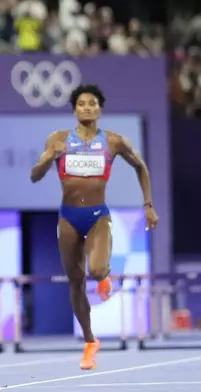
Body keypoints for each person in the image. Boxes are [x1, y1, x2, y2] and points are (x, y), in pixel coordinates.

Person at [30, 84, 158, 369]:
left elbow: (141, 167)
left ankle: (104, 276)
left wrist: (148, 205)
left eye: (91, 104)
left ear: (100, 109)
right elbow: (34, 176)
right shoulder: (58, 139)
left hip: (98, 215)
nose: (86, 108)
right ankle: (90, 341)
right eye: (81, 104)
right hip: (68, 217)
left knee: (96, 270)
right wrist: (50, 158)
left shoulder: (113, 141)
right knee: (75, 281)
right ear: (75, 109)